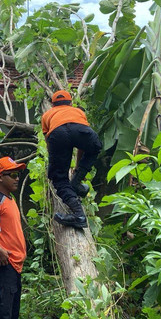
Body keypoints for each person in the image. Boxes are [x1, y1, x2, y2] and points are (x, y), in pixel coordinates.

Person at [41, 90, 102, 229]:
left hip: (57, 134)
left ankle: (79, 214)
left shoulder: (46, 115)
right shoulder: (78, 112)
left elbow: (50, 144)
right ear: (70, 102)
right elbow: (83, 146)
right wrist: (77, 169)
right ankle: (75, 183)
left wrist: (57, 168)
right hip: (81, 130)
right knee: (94, 148)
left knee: (59, 179)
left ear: (52, 105)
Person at [0, 157, 27, 319]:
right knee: (3, 313)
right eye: (13, 175)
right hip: (4, 266)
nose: (17, 178)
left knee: (12, 312)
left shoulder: (10, 199)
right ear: (0, 177)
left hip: (15, 266)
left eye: (19, 174)